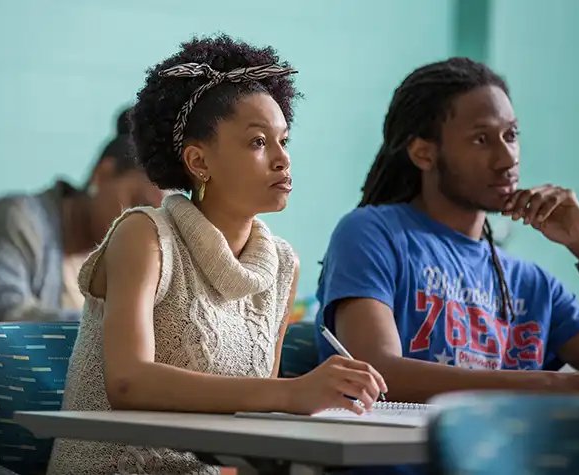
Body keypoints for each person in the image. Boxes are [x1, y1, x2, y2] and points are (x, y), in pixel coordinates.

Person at [46, 34, 386, 475]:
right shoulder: (145, 235)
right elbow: (128, 382)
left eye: (284, 140)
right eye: (258, 143)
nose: (283, 159)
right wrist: (291, 393)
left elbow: (253, 428)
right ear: (198, 161)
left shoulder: (283, 266)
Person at [315, 57, 579, 474]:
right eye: (481, 140)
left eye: (511, 135)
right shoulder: (373, 233)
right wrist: (554, 386)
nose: (506, 159)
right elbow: (377, 372)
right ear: (424, 153)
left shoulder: (533, 283)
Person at [0, 108, 165, 345]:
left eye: (156, 216)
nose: (145, 222)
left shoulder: (120, 258)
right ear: (102, 175)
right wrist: (125, 322)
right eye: (138, 204)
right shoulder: (15, 220)